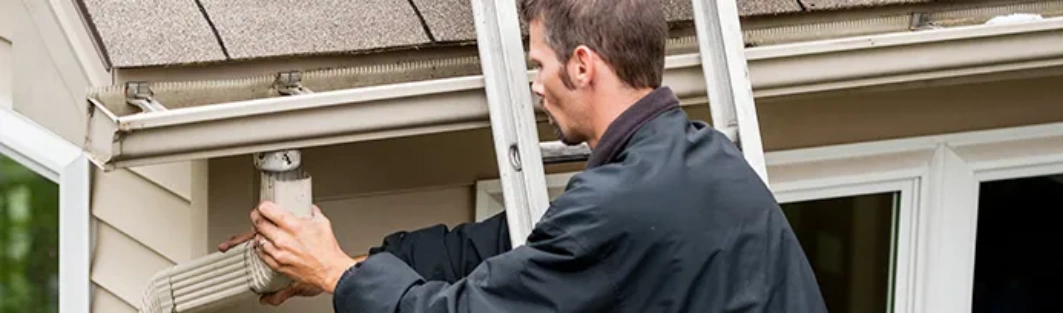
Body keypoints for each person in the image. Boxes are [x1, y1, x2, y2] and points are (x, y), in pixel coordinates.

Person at [218, 0, 827, 312]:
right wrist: (340, 258)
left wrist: (338, 276)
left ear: (582, 65)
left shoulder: (623, 204)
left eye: (538, 64)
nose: (534, 85)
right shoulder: (701, 158)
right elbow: (518, 245)